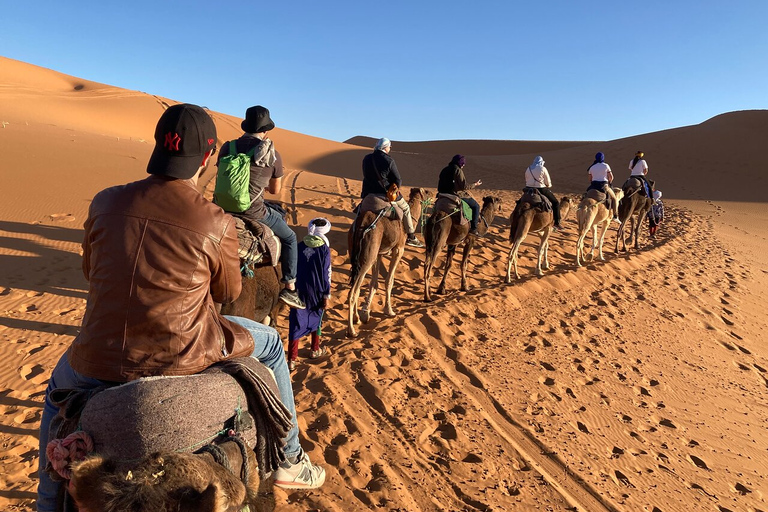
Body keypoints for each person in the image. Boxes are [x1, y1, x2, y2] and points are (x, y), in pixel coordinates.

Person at [36, 104, 325, 511]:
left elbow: (90, 269)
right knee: (273, 344)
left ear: (158, 145)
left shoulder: (103, 202)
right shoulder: (215, 220)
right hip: (185, 351)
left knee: (55, 395)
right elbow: (228, 289)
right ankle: (290, 459)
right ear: (208, 156)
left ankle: (46, 502)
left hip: (95, 354)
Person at [218, 105, 305, 309]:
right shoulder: (271, 154)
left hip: (221, 208)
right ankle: (290, 287)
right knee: (290, 237)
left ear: (246, 126)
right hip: (254, 211)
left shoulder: (227, 147)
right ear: (265, 130)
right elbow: (275, 190)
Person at [361, 137, 425, 248]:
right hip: (385, 193)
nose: (389, 149)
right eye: (389, 147)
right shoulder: (389, 160)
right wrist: (394, 189)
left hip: (368, 193)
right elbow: (398, 180)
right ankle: (411, 236)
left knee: (360, 210)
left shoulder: (366, 158)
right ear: (386, 147)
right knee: (405, 209)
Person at [287, 218, 333, 371]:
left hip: (299, 288)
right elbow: (327, 273)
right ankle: (315, 349)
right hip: (317, 290)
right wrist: (327, 294)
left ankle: (291, 360)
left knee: (296, 320)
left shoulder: (299, 246)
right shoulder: (324, 250)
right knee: (317, 318)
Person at [437, 154, 483, 235]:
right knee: (476, 206)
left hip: (442, 194)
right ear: (460, 163)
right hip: (455, 195)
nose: (463, 165)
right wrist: (475, 184)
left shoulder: (444, 169)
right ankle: (473, 228)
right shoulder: (457, 170)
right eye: (463, 163)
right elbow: (464, 186)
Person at [524, 155, 563, 230]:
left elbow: (526, 178)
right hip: (541, 189)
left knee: (520, 201)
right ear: (541, 162)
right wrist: (549, 185)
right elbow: (548, 181)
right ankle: (557, 223)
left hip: (528, 189)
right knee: (556, 203)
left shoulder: (528, 168)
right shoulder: (543, 168)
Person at [587, 151, 620, 222]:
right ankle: (615, 216)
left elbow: (590, 179)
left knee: (586, 194)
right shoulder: (606, 165)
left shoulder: (592, 167)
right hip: (604, 185)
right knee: (614, 198)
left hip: (593, 185)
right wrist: (610, 183)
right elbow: (611, 177)